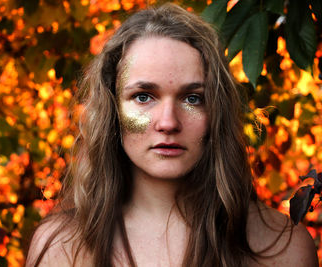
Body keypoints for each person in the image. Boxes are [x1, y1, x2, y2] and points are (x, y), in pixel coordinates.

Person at [26, 3, 318, 266]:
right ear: (112, 110)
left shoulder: (284, 248)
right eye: (143, 97)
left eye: (192, 98)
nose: (168, 122)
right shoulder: (59, 249)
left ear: (216, 111)